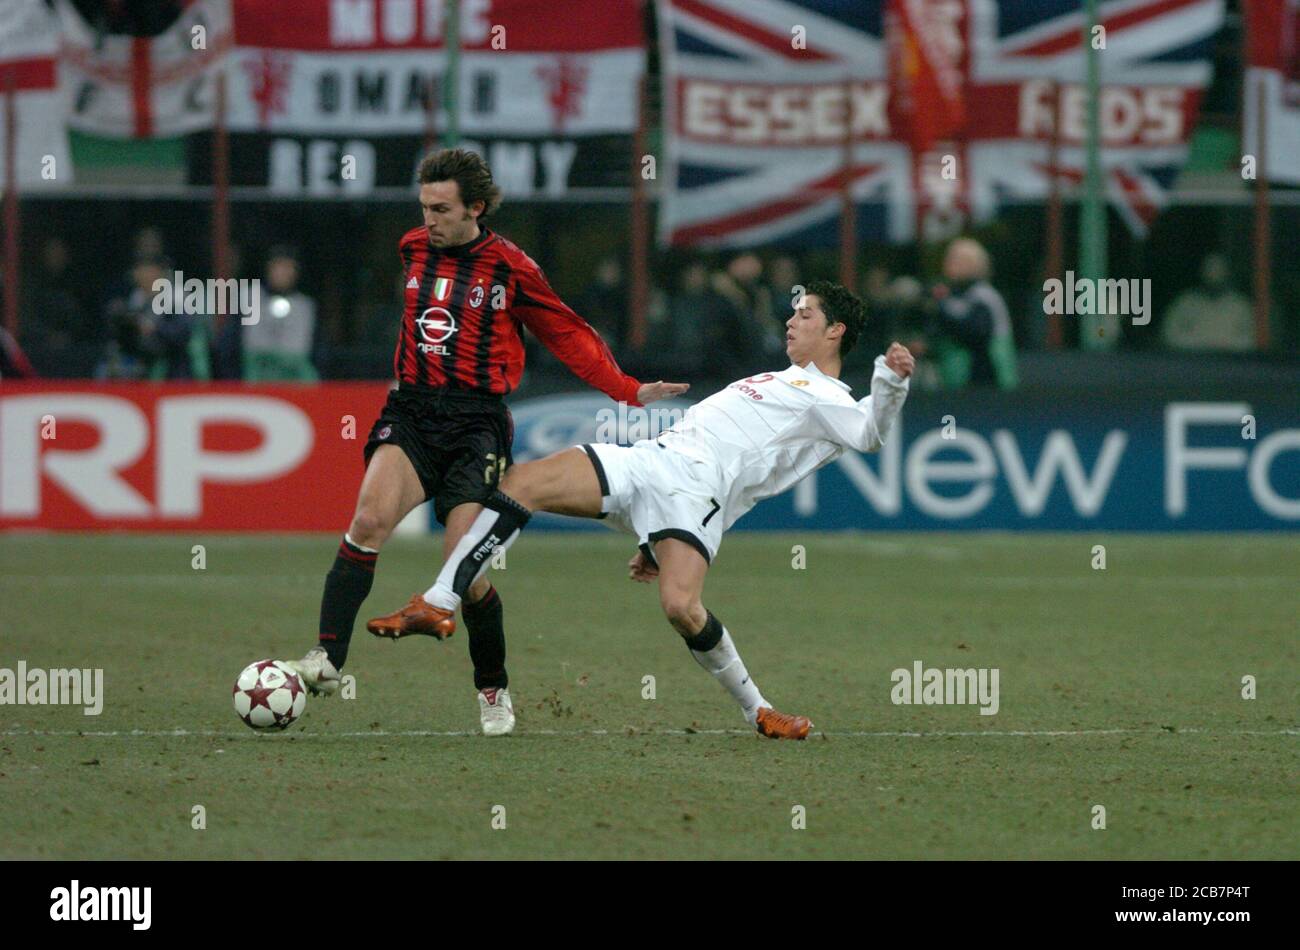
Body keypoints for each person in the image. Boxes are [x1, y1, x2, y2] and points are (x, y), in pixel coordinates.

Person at [366, 281, 914, 740]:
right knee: (521, 483)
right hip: (648, 462)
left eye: (806, 314)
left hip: (692, 496)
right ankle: (439, 601)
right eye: (794, 313)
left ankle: (759, 710)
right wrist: (647, 539)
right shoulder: (782, 378)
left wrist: (889, 382)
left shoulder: (833, 400)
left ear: (835, 330)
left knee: (681, 607)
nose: (791, 321)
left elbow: (870, 432)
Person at [286, 148, 687, 737]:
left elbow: (566, 332)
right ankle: (325, 661)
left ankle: (492, 688)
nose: (430, 219)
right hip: (413, 413)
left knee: (465, 568)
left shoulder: (510, 267)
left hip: (477, 425)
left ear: (475, 207)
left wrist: (626, 390)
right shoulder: (411, 249)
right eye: (424, 207)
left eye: (442, 208)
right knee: (369, 521)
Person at [929, 238, 1017, 390]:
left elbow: (976, 332)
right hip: (957, 382)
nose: (949, 264)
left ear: (975, 264)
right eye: (949, 258)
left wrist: (942, 308)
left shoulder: (985, 296)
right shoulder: (954, 294)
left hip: (990, 383)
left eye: (957, 259)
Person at [243, 246, 319, 381]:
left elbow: (318, 352)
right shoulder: (249, 299)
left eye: (288, 267)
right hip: (254, 384)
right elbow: (230, 347)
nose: (283, 273)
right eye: (279, 266)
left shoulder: (306, 307)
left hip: (297, 387)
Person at [1161, 253, 1255, 352]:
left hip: (1231, 364)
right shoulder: (1185, 303)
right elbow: (1169, 335)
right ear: (1202, 272)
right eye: (1210, 269)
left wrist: (1224, 345)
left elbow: (1251, 340)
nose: (1214, 274)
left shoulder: (1241, 305)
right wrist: (1200, 344)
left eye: (1218, 269)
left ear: (1227, 272)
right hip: (1192, 363)